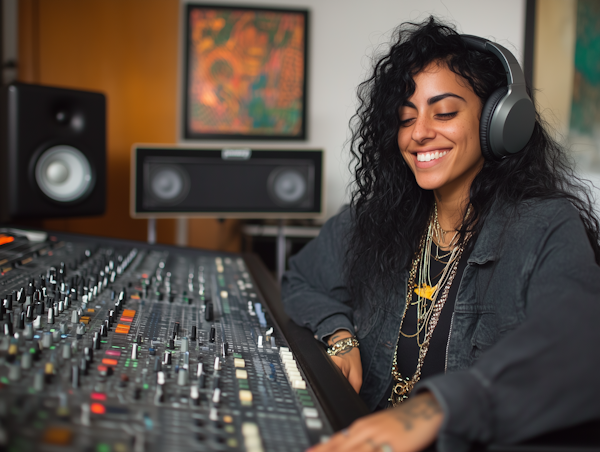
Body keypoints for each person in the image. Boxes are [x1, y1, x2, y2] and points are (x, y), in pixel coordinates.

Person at [281, 17, 600, 452]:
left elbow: (580, 347)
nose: (419, 133)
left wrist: (431, 410)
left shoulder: (544, 227)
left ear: (499, 121)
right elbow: (300, 280)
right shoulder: (375, 219)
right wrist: (338, 333)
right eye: (406, 118)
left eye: (445, 112)